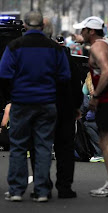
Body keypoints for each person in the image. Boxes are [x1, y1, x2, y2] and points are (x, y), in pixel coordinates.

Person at [0, 11, 71, 202]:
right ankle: (42, 191)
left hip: (21, 102)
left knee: (18, 146)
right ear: (42, 27)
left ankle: (15, 190)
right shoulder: (54, 48)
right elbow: (64, 77)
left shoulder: (14, 46)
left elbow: (4, 74)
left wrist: (13, 94)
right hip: (47, 102)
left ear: (25, 27)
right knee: (43, 147)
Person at [73, 16, 108, 197]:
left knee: (104, 141)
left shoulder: (97, 47)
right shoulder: (107, 43)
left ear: (91, 31)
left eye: (83, 29)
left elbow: (106, 71)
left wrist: (95, 96)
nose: (81, 32)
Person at [54, 35, 83, 198]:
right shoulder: (65, 57)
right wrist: (77, 105)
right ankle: (64, 187)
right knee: (65, 148)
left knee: (40, 147)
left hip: (41, 104)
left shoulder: (20, 48)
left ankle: (41, 187)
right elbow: (75, 81)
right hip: (65, 108)